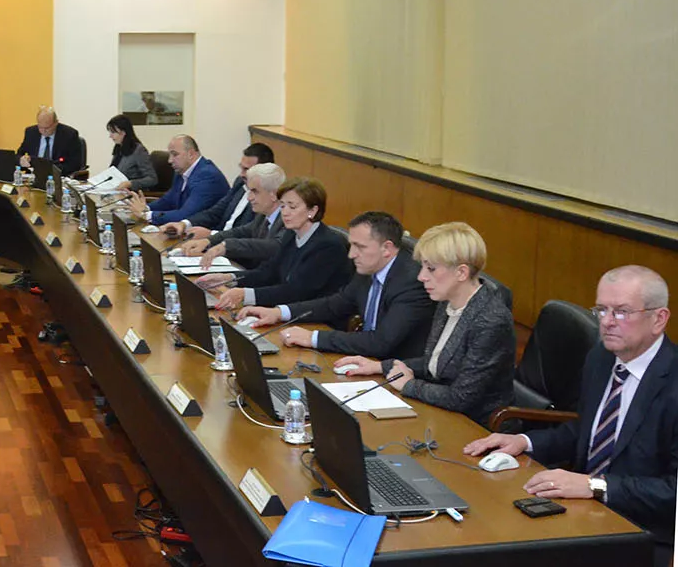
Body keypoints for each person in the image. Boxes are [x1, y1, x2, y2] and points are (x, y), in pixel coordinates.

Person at [465, 265, 677, 561]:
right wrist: (525, 442)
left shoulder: (671, 383)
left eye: (622, 312)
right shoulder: (601, 358)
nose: (607, 322)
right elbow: (585, 433)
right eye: (601, 310)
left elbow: (673, 490)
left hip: (645, 533)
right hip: (583, 512)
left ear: (659, 319)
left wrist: (596, 486)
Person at [326, 222, 515, 426]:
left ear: (461, 273)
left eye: (431, 268)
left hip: (477, 427)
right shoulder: (447, 301)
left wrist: (409, 385)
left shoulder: (491, 320)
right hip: (441, 413)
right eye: (423, 266)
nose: (421, 276)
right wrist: (380, 366)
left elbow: (461, 398)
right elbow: (436, 362)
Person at [235, 211, 436, 362]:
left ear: (387, 248)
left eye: (360, 247)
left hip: (396, 373)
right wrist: (279, 312)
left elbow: (380, 342)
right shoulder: (369, 267)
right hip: (365, 361)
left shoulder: (412, 282)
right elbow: (335, 304)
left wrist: (313, 338)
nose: (351, 254)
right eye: (352, 245)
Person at [200, 178, 350, 311]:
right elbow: (267, 273)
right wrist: (228, 278)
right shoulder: (291, 234)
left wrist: (245, 294)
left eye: (292, 207)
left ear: (313, 210)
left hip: (315, 320)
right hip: (287, 310)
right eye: (282, 206)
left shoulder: (328, 246)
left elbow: (297, 292)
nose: (285, 212)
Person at [174, 163, 287, 269]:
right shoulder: (263, 217)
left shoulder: (287, 220)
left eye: (255, 191)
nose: (249, 198)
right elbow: (239, 232)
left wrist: (226, 246)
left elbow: (271, 246)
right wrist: (207, 241)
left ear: (274, 194)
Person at [162, 142, 274, 237]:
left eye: (247, 169)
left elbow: (249, 235)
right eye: (241, 168)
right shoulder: (240, 183)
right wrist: (184, 224)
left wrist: (211, 235)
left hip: (234, 250)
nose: (242, 174)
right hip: (217, 243)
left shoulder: (267, 198)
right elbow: (216, 212)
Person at [126, 134, 229, 226]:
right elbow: (168, 200)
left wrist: (147, 215)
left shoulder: (207, 176)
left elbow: (185, 215)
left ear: (190, 154)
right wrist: (145, 208)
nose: (170, 160)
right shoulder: (182, 171)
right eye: (170, 155)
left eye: (175, 154)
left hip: (207, 233)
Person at [17, 106, 84, 177]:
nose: (43, 131)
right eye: (40, 127)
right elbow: (18, 155)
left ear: (56, 123)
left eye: (47, 128)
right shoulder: (31, 133)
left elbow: (75, 164)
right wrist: (21, 160)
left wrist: (51, 170)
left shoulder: (69, 135)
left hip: (59, 176)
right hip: (34, 176)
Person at [106, 114, 156, 191]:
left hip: (132, 193)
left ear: (124, 132)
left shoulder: (139, 150)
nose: (110, 136)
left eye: (113, 132)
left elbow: (152, 179)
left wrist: (130, 183)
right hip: (118, 191)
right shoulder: (119, 148)